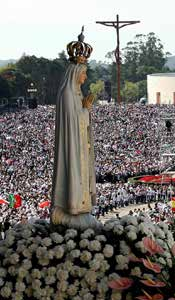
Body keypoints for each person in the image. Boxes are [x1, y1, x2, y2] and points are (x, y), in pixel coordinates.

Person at [50, 28, 99, 230]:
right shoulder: (68, 94)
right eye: (83, 74)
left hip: (81, 146)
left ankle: (81, 208)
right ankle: (70, 209)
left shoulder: (77, 94)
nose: (85, 78)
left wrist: (85, 109)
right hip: (73, 146)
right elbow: (73, 122)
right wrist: (86, 110)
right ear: (75, 73)